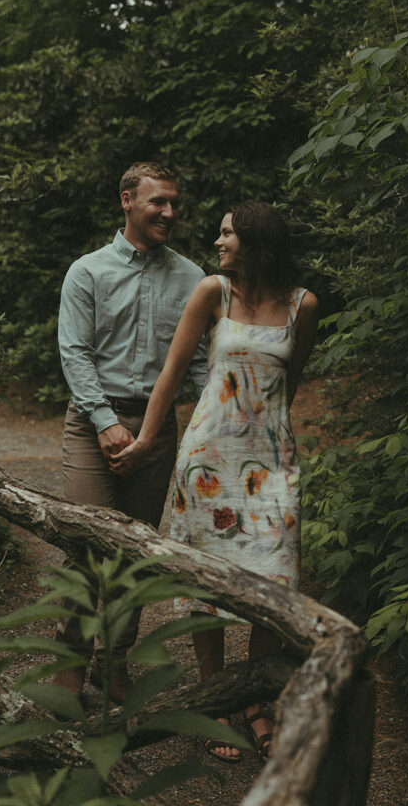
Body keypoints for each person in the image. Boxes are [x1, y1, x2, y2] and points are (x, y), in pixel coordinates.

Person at [111, 201, 319, 762]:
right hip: (208, 459)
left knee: (269, 585)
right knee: (209, 584)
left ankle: (254, 702)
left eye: (227, 234)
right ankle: (215, 701)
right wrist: (147, 441)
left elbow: (288, 384)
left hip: (271, 465)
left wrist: (265, 437)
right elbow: (172, 375)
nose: (218, 241)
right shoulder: (211, 293)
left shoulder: (303, 305)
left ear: (255, 242)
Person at [55, 162, 208, 703]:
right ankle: (69, 662)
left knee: (135, 550)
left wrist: (219, 417)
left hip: (157, 426)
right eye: (157, 202)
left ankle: (114, 659)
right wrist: (102, 423)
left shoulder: (193, 278)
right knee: (82, 542)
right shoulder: (87, 272)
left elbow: (199, 364)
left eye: (173, 202)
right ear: (126, 200)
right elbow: (74, 352)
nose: (169, 212)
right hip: (91, 422)